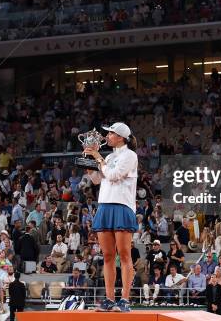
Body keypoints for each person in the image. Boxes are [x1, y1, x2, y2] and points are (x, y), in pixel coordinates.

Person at [85, 122, 138, 312]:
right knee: (107, 256)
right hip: (105, 205)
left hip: (122, 205)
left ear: (121, 137)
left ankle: (124, 300)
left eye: (111, 133)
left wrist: (99, 157)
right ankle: (109, 299)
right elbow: (98, 179)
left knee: (124, 255)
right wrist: (89, 164)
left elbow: (114, 175)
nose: (107, 136)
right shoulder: (109, 156)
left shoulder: (130, 155)